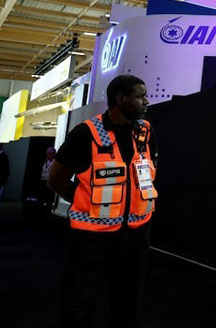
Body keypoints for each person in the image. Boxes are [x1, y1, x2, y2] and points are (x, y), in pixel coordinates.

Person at [48, 75, 158, 328]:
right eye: (140, 96)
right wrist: (87, 203)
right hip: (92, 240)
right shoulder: (85, 134)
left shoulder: (146, 132)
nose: (146, 101)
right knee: (80, 305)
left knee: (128, 305)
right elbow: (56, 180)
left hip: (137, 236)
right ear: (120, 99)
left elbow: (149, 174)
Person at [40, 146, 56, 211]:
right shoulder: (43, 161)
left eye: (51, 153)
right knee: (42, 198)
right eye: (48, 153)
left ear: (54, 153)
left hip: (51, 183)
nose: (49, 154)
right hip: (43, 181)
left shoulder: (55, 162)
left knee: (49, 199)